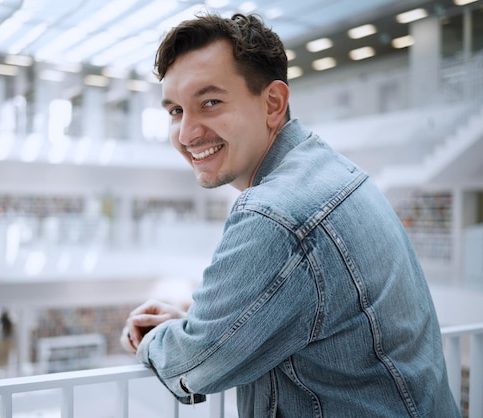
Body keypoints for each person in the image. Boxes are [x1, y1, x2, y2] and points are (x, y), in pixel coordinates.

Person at [121, 12, 461, 418]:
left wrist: (152, 341)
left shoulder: (274, 214)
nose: (187, 132)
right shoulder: (337, 173)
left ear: (272, 103)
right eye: (175, 110)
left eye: (209, 102)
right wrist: (205, 328)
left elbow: (193, 365)